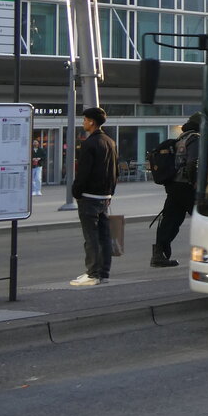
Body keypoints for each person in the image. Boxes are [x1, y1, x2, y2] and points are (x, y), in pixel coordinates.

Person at [70, 106, 118, 286]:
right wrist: (111, 191)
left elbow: (83, 172)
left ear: (91, 122)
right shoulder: (110, 142)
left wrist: (76, 191)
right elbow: (114, 170)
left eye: (84, 120)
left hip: (89, 196)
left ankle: (92, 274)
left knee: (91, 237)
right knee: (104, 237)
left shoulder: (89, 143)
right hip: (104, 196)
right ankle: (104, 272)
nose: (83, 122)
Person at [152, 112, 201, 268]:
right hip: (187, 186)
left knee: (170, 221)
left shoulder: (180, 139)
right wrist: (195, 182)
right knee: (206, 219)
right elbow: (193, 162)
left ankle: (159, 255)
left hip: (173, 186)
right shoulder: (195, 139)